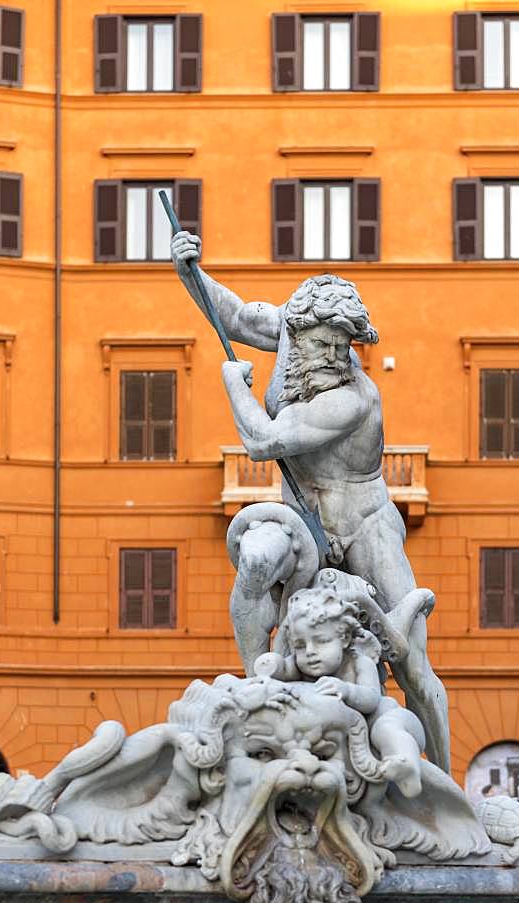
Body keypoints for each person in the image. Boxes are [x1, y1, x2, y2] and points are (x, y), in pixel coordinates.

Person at [170, 231, 450, 773]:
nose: (333, 356)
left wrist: (235, 386)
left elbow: (263, 442)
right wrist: (190, 272)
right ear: (296, 332)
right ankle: (259, 683)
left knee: (413, 661)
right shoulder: (287, 334)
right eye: (322, 343)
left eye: (342, 346)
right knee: (254, 561)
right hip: (300, 518)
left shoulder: (353, 396)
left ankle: (442, 777)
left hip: (364, 520)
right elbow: (229, 315)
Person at [253, 584, 425, 798]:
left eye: (321, 641)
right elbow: (283, 668)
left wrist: (347, 690)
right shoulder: (301, 665)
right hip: (344, 736)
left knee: (386, 729)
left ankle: (405, 765)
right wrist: (271, 664)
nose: (310, 652)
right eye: (299, 645)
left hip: (388, 719)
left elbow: (371, 699)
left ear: (343, 638)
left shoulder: (359, 663)